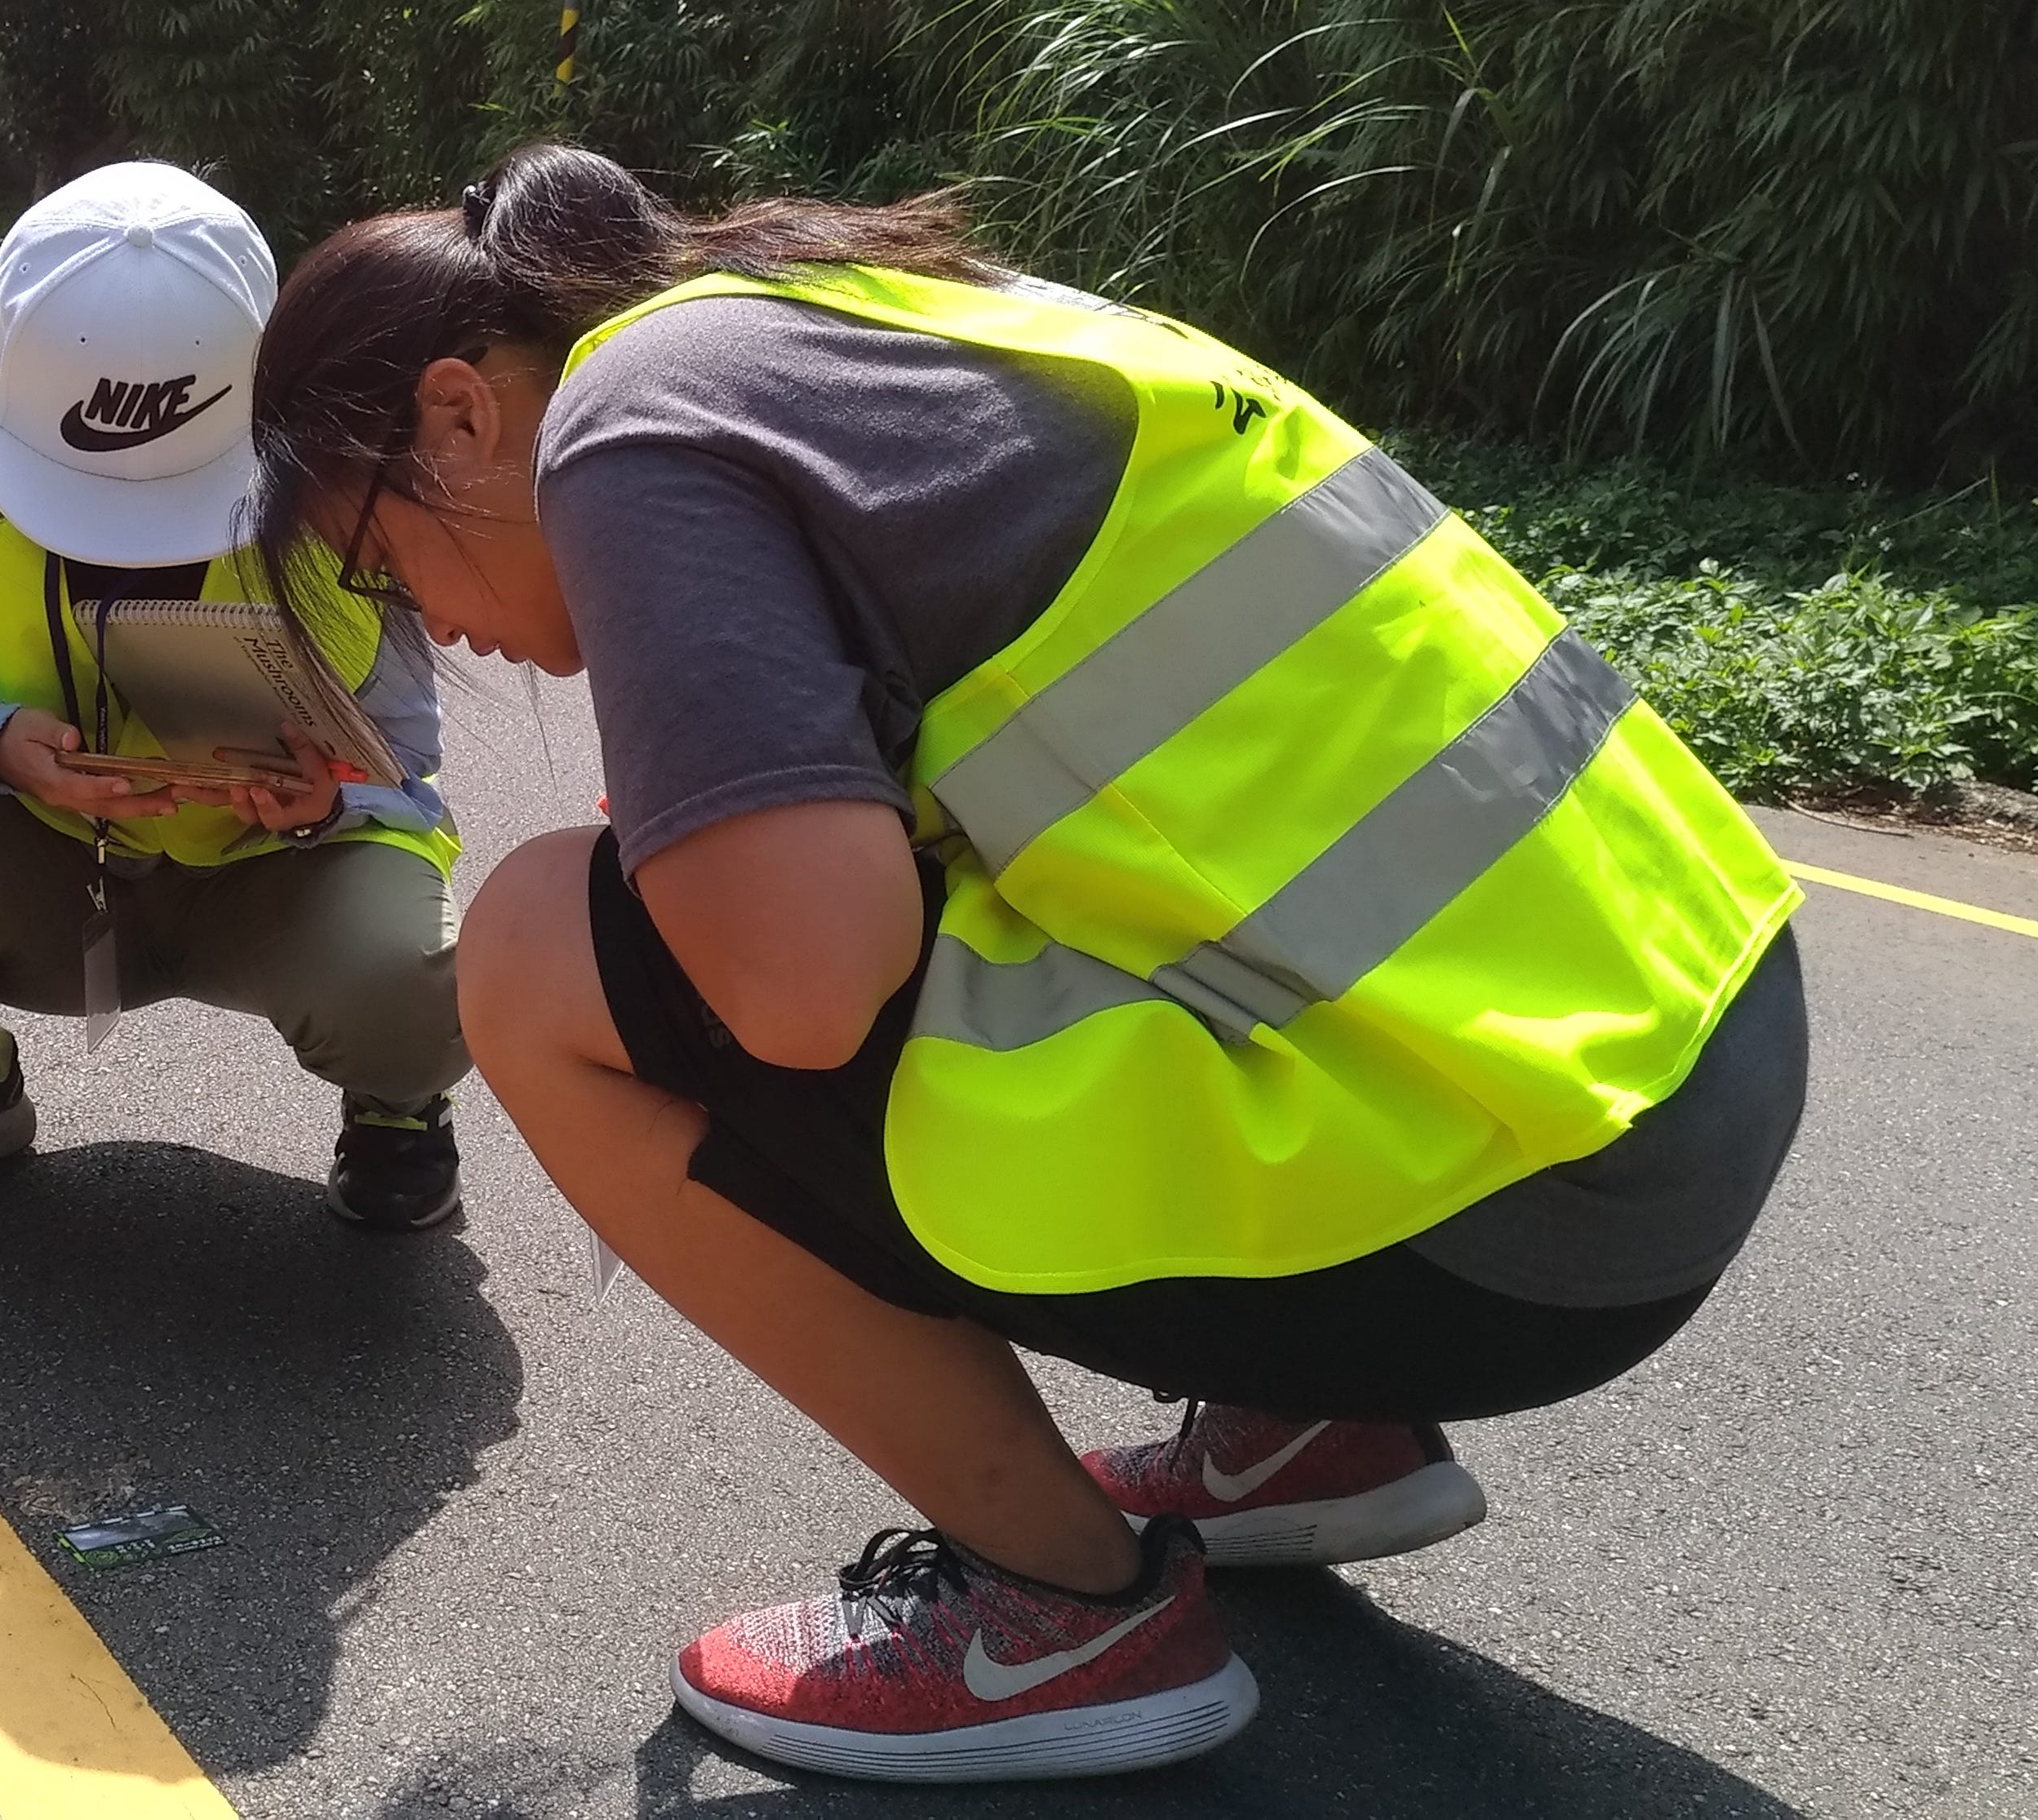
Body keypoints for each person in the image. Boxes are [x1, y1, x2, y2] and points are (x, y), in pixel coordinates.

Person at [242, 144, 1809, 1782]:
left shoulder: (626, 418)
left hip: (1520, 1198)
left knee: (537, 951)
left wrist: (700, 857)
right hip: (1684, 1038)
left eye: (377, 561)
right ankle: (1299, 1431)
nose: (423, 624)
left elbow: (799, 991)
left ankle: (1064, 1606)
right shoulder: (867, 309)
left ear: (459, 415)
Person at [0, 161, 473, 1229]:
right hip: (39, 859)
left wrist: (327, 801)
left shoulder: (343, 473)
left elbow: (406, 766)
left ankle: (397, 1106)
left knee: (417, 981)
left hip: (274, 879)